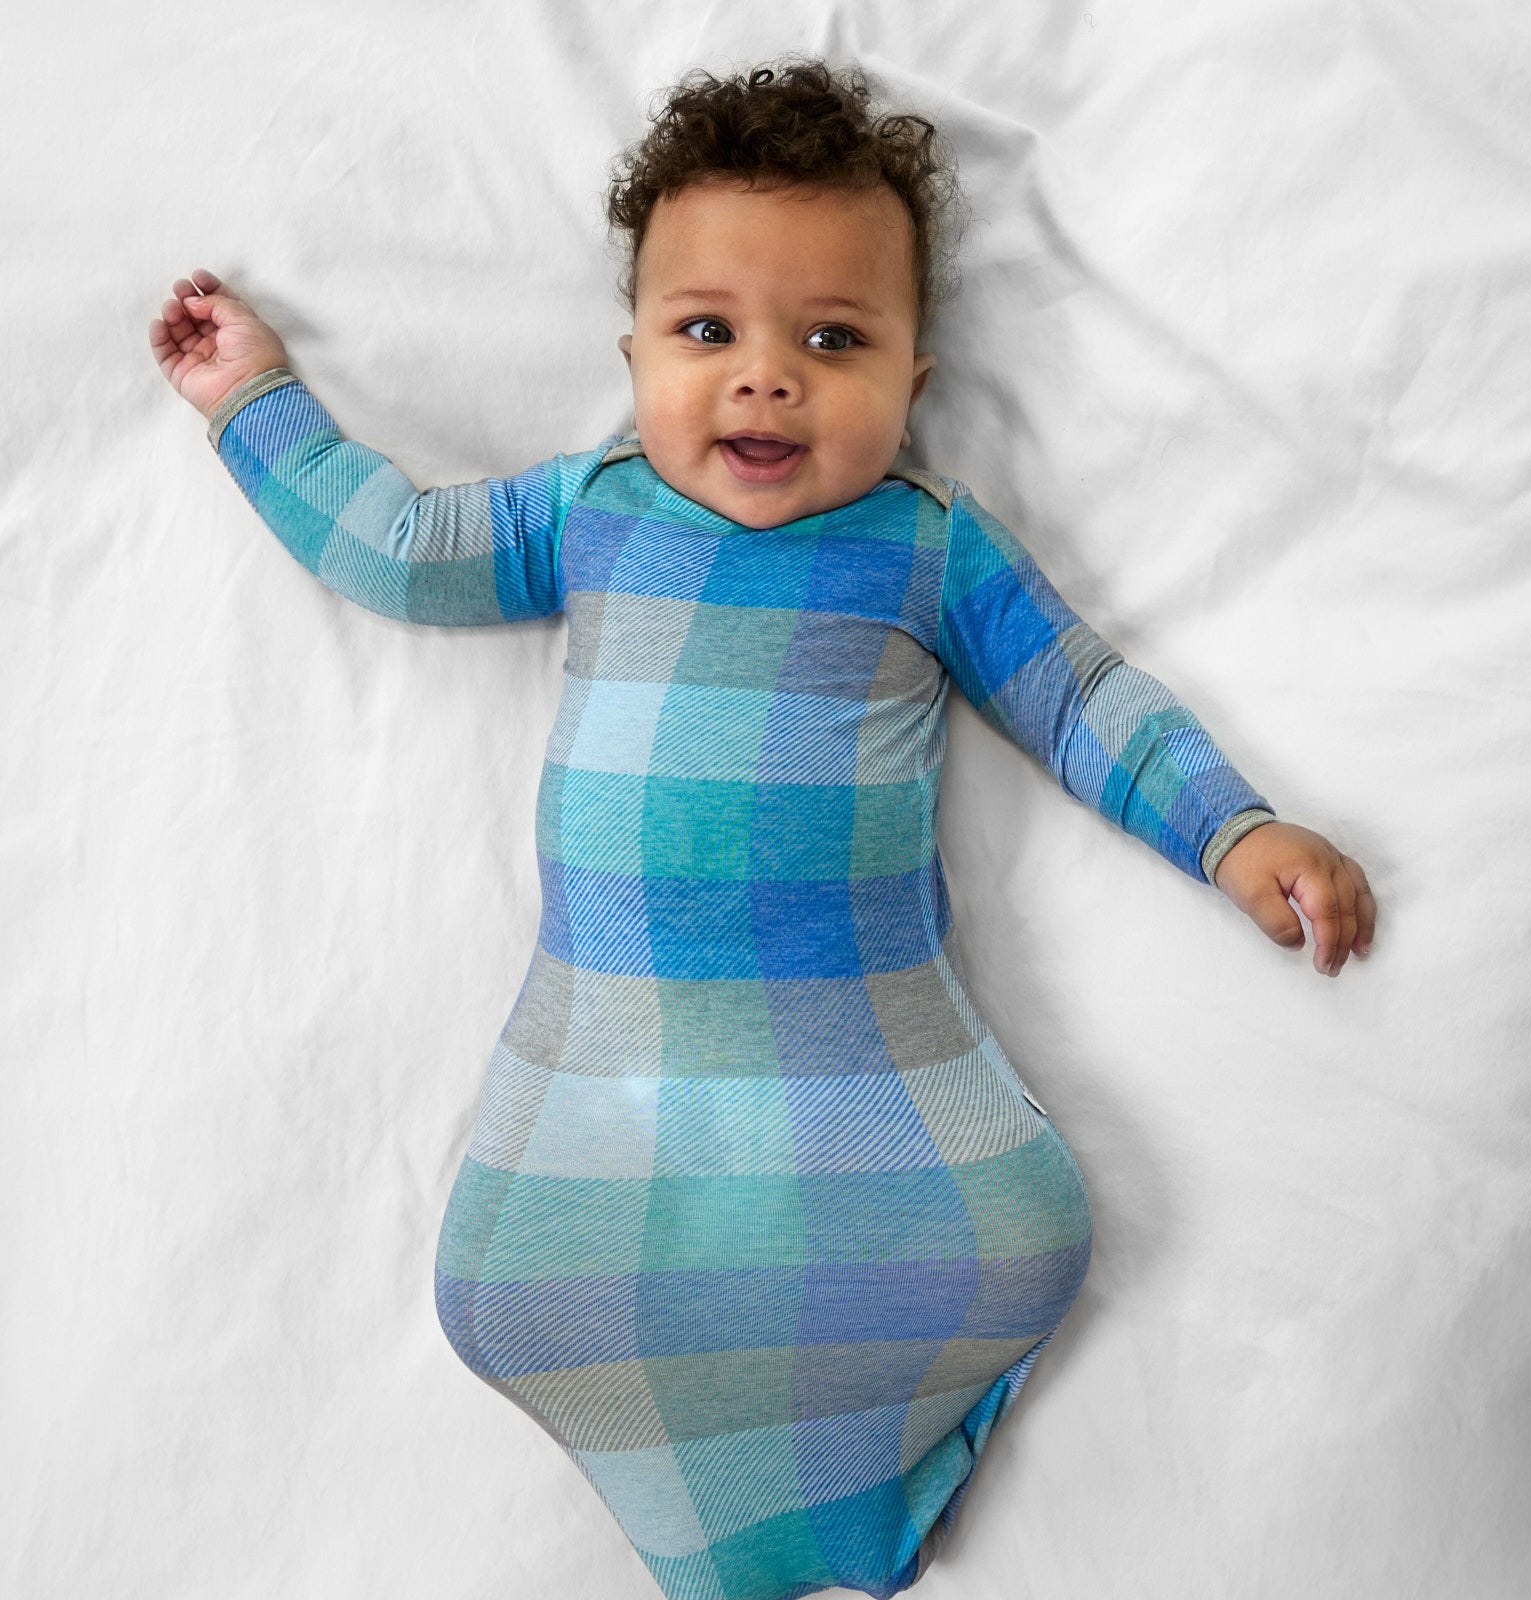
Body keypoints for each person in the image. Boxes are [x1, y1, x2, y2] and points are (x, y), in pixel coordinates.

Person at [149, 56, 1375, 1600]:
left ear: (916, 382)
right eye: (708, 331)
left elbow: (1080, 698)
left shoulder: (925, 548)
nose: (765, 376)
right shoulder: (591, 510)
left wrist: (1232, 832)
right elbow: (402, 548)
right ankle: (747, 1533)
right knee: (503, 1293)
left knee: (1017, 1241)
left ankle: (852, 1506)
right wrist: (251, 398)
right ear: (635, 352)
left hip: (855, 1053)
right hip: (616, 1052)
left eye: (833, 339)